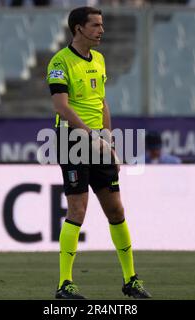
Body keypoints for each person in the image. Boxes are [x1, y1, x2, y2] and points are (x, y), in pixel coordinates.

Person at [46, 6, 151, 299]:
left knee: (116, 210)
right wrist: (92, 136)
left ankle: (131, 279)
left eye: (101, 25)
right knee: (78, 209)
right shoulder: (60, 62)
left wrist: (110, 142)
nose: (101, 30)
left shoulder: (100, 60)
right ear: (78, 28)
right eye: (95, 25)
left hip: (98, 142)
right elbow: (61, 107)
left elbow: (102, 103)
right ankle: (64, 284)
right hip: (72, 140)